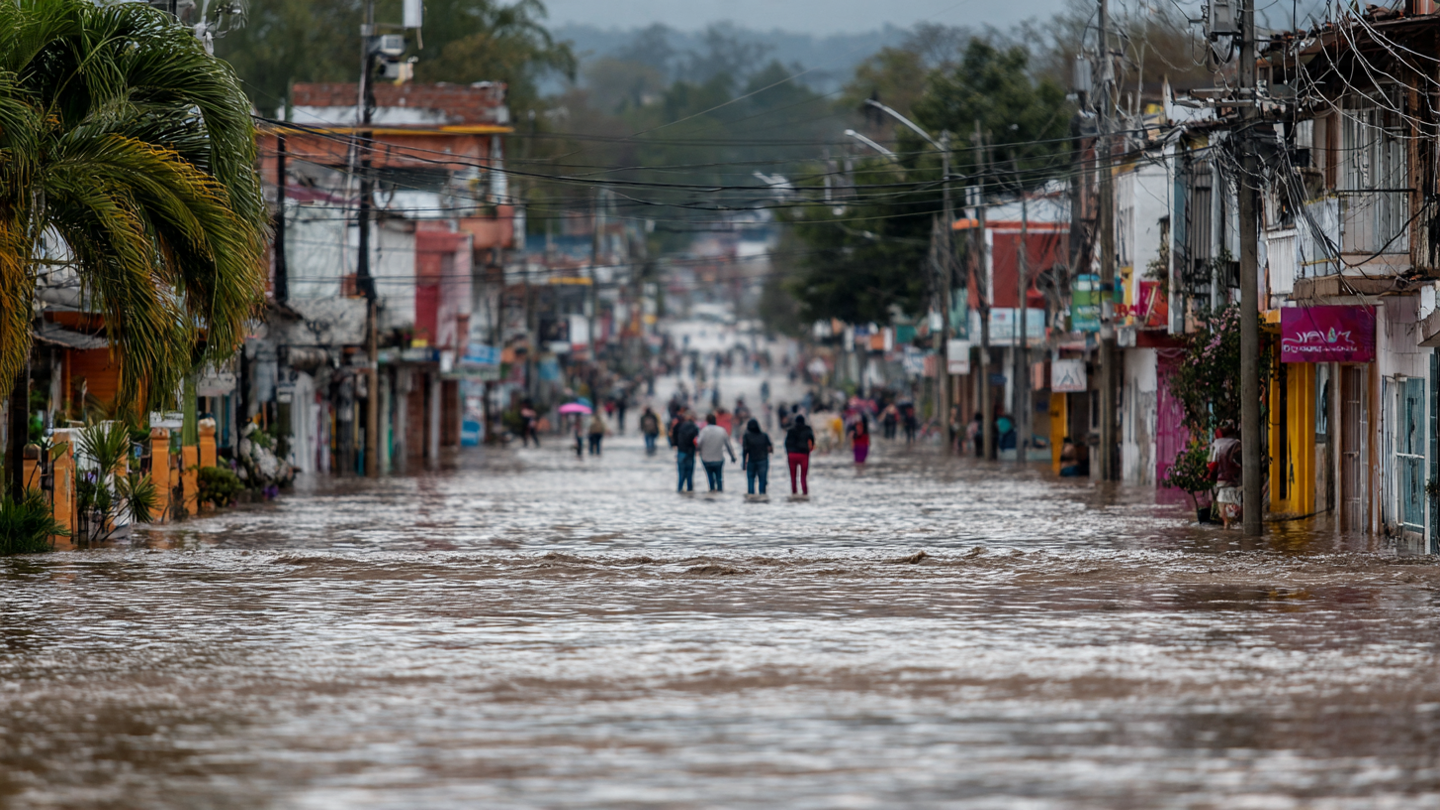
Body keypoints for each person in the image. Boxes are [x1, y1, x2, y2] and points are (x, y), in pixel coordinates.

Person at [1209, 426, 1243, 528]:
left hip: (1222, 484)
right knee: (1235, 518)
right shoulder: (1237, 443)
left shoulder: (1216, 444)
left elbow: (1213, 464)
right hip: (1235, 483)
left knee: (1226, 520)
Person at [697, 413, 737, 492]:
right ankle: (720, 494)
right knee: (719, 478)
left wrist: (699, 451)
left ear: (707, 421)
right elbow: (728, 445)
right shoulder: (721, 430)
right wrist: (732, 457)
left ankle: (712, 492)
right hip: (719, 459)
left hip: (706, 459)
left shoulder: (704, 431)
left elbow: (698, 443)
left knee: (710, 478)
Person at [785, 414, 816, 495]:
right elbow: (812, 440)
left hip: (792, 455)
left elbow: (786, 443)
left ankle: (794, 493)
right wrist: (810, 450)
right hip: (803, 455)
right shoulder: (808, 429)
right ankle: (805, 493)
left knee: (793, 477)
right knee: (803, 477)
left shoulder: (790, 430)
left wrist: (788, 452)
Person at [742, 418, 773, 495]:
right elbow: (770, 449)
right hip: (763, 460)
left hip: (751, 460)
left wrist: (744, 463)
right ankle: (762, 497)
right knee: (762, 480)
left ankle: (751, 498)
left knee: (751, 480)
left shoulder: (747, 436)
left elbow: (745, 450)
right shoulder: (764, 435)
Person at [673, 410, 700, 492]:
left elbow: (674, 437)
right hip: (690, 452)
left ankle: (680, 489)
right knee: (690, 474)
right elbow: (696, 440)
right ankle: (690, 490)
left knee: (681, 474)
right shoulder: (694, 427)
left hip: (681, 451)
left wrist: (676, 445)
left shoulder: (679, 426)